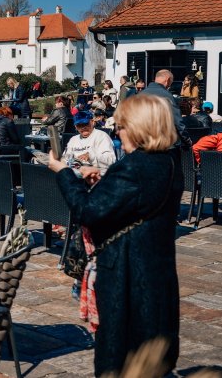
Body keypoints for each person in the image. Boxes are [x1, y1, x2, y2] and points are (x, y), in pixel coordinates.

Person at [48, 94, 181, 376]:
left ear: (136, 128)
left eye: (120, 126)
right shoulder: (168, 163)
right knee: (151, 356)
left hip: (127, 274)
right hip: (156, 273)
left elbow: (88, 211)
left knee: (119, 358)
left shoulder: (133, 167)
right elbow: (132, 203)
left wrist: (64, 174)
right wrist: (105, 183)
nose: (117, 132)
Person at [144, 69, 190, 147]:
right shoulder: (167, 96)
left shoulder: (140, 95)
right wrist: (187, 140)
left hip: (142, 141)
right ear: (167, 80)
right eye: (171, 83)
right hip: (163, 145)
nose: (170, 86)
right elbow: (177, 122)